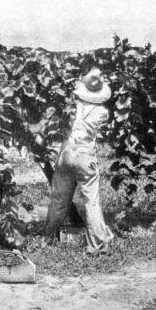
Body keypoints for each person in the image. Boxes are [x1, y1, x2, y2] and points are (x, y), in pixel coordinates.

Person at [43, 67, 113, 254]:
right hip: (85, 155)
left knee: (59, 198)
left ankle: (47, 238)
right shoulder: (102, 112)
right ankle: (96, 245)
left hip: (65, 153)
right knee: (91, 200)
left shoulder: (70, 107)